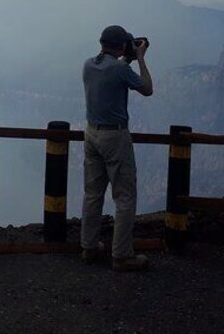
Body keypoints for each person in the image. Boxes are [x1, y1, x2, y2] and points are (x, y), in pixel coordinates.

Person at [80, 25, 153, 272]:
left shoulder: (89, 65)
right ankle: (122, 256)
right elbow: (147, 88)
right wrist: (139, 58)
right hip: (115, 136)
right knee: (124, 197)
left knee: (92, 194)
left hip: (91, 134)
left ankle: (88, 248)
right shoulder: (121, 68)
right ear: (122, 46)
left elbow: (111, 69)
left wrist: (125, 57)